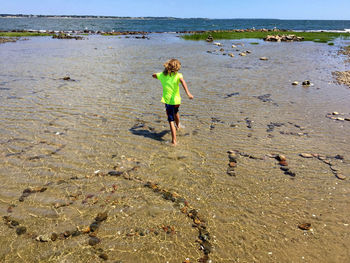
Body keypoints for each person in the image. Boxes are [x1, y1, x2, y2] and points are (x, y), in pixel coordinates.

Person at [152, 59, 193, 146]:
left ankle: (174, 141)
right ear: (177, 68)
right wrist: (188, 93)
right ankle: (178, 126)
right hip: (177, 100)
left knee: (171, 120)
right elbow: (183, 81)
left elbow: (153, 75)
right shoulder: (178, 75)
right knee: (176, 112)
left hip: (168, 101)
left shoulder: (162, 75)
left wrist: (158, 75)